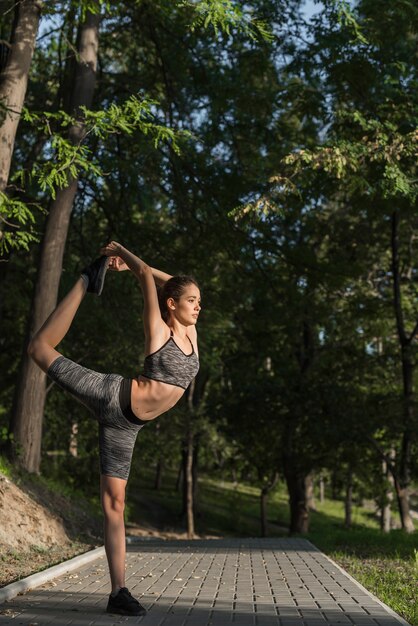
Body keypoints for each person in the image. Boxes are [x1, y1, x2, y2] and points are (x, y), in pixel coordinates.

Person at [27, 241, 201, 616]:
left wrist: (161, 276)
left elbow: (175, 282)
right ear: (172, 305)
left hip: (129, 427)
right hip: (112, 395)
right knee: (39, 348)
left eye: (198, 300)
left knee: (115, 504)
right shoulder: (159, 329)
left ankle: (117, 593)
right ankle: (85, 280)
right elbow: (150, 278)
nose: (199, 305)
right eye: (192, 300)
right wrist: (123, 254)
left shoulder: (192, 335)